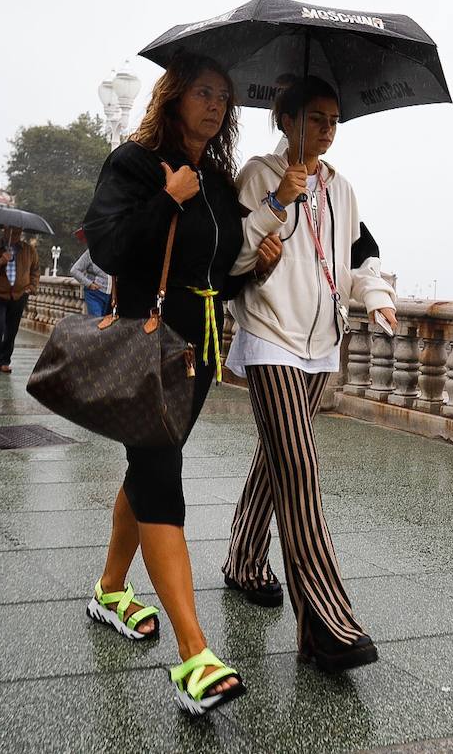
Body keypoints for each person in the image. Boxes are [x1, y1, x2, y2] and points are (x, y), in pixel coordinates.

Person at [81, 53, 281, 716]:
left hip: (197, 350)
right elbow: (106, 247)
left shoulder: (220, 182)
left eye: (224, 97)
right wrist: (166, 200)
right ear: (174, 96)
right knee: (161, 474)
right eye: (203, 91)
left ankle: (111, 589)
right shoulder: (137, 162)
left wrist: (257, 269)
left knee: (149, 467)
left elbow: (219, 273)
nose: (215, 105)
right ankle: (195, 657)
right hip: (147, 336)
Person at [221, 76, 397, 673]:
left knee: (279, 455)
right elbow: (234, 258)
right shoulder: (258, 175)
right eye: (316, 117)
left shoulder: (341, 188)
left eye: (334, 119)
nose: (327, 129)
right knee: (300, 463)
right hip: (270, 334)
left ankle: (244, 559)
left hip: (323, 342)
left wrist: (374, 294)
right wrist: (277, 206)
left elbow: (355, 257)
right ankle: (325, 623)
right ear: (286, 119)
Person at [0, 226, 39, 375]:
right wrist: (0, 261)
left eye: (18, 233)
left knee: (12, 330)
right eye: (12, 232)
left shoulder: (29, 250)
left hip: (19, 295)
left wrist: (31, 286)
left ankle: (5, 361)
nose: (15, 235)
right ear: (4, 230)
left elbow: (35, 270)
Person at [69, 245, 110, 317]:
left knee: (109, 324)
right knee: (96, 321)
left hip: (112, 295)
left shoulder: (116, 253)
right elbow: (74, 270)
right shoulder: (91, 253)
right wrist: (89, 284)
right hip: (95, 294)